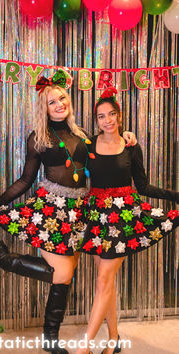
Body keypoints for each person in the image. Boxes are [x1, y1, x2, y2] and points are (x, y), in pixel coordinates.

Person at [0, 72, 136, 354]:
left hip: (79, 214)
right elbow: (25, 180)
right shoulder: (38, 137)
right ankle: (1, 256)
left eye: (62, 97)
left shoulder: (84, 135)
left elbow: (108, 151)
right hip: (50, 212)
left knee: (68, 273)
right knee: (61, 274)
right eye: (52, 102)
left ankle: (50, 339)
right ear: (45, 107)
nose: (59, 104)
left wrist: (124, 136)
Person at [76, 87, 179, 354]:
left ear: (119, 116)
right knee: (105, 281)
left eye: (111, 114)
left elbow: (142, 186)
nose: (107, 120)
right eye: (101, 116)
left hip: (123, 218)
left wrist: (175, 196)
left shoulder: (131, 146)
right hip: (97, 217)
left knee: (103, 281)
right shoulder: (87, 145)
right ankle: (113, 339)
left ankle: (84, 346)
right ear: (95, 120)